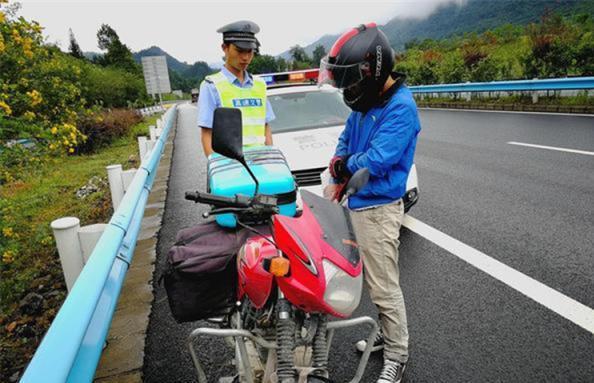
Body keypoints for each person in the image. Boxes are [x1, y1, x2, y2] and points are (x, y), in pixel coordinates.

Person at [319, 23, 421, 383]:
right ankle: (386, 334)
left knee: (383, 284)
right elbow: (346, 141)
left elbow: (377, 159)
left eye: (352, 80)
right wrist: (338, 169)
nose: (349, 89)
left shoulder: (400, 108)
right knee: (377, 281)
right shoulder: (367, 103)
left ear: (372, 71)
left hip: (378, 208)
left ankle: (397, 353)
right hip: (358, 203)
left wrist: (342, 167)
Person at [198, 20, 275, 156]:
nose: (245, 58)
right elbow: (207, 134)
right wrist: (218, 169)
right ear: (225, 48)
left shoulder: (260, 85)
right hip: (230, 168)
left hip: (261, 164)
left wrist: (271, 158)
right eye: (239, 51)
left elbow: (266, 127)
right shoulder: (211, 86)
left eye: (250, 51)